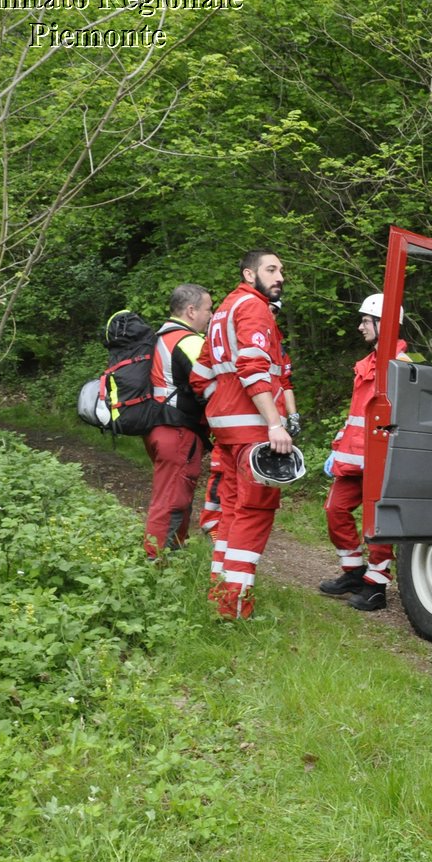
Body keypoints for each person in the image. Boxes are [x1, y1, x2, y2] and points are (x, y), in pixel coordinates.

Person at [190, 250, 299, 620]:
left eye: (282, 270)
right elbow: (253, 369)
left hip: (228, 434)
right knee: (253, 515)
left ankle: (219, 597)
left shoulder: (222, 311)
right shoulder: (253, 308)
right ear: (249, 274)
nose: (280, 276)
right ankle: (233, 609)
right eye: (272, 269)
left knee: (233, 515)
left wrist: (221, 411)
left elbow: (200, 378)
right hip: (253, 432)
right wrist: (274, 423)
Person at [319, 293, 410, 611]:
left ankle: (375, 587)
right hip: (353, 460)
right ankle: (354, 573)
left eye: (365, 321)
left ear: (383, 325)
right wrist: (338, 448)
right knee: (335, 511)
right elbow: (356, 416)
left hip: (381, 461)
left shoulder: (402, 368)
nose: (360, 326)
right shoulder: (368, 365)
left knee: (378, 525)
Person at [142, 283, 212, 559]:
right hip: (178, 431)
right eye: (208, 309)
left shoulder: (159, 337)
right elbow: (210, 386)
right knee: (172, 498)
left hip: (157, 428)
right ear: (191, 310)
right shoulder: (190, 341)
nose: (211, 315)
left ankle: (171, 558)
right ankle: (156, 564)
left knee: (172, 494)